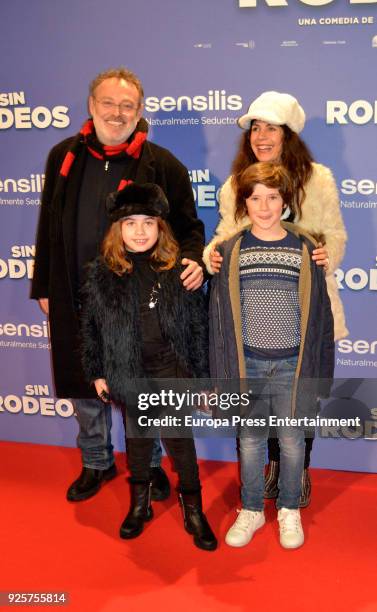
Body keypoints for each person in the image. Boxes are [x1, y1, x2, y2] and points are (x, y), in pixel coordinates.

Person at [31, 67, 205, 503]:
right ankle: (96, 461)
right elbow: (49, 226)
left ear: (140, 111)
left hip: (136, 300)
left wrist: (193, 262)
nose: (117, 112)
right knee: (86, 382)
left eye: (128, 105)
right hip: (75, 292)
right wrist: (44, 287)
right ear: (92, 106)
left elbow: (188, 227)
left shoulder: (161, 163)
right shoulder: (62, 157)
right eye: (108, 103)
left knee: (138, 384)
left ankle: (145, 468)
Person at [203, 91, 347, 507]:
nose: (261, 136)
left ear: (288, 134)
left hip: (304, 309)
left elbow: (334, 234)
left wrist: (326, 254)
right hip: (253, 312)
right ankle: (269, 471)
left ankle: (296, 472)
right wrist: (211, 256)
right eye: (255, 127)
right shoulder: (236, 184)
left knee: (298, 407)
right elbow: (226, 233)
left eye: (271, 127)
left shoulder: (317, 179)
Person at [80, 182, 217, 551]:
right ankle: (139, 506)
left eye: (148, 223)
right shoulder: (102, 274)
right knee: (138, 443)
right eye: (130, 223)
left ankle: (194, 510)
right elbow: (91, 328)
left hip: (172, 369)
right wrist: (96, 371)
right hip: (130, 371)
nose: (139, 231)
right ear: (117, 230)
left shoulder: (179, 271)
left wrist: (203, 380)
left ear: (161, 228)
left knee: (180, 443)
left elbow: (198, 327)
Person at [209, 162, 334, 549]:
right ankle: (250, 509)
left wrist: (319, 372)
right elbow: (217, 319)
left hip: (292, 366)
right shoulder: (230, 251)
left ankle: (289, 508)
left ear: (286, 200)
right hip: (248, 364)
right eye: (255, 198)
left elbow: (320, 317)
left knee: (293, 441)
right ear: (244, 203)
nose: (264, 206)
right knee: (249, 440)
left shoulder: (307, 249)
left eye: (273, 197)